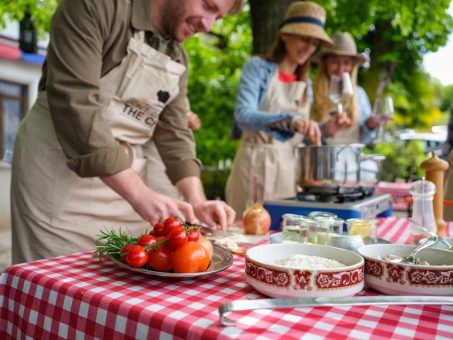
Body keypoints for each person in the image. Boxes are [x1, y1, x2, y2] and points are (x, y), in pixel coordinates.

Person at [10, 0, 243, 264]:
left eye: (218, 18)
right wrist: (141, 194)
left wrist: (197, 201)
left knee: (116, 287)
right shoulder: (94, 7)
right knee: (56, 288)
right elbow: (75, 103)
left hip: (125, 193)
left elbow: (174, 133)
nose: (208, 25)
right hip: (58, 180)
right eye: (208, 6)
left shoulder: (178, 58)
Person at [225, 1, 332, 217]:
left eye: (314, 43)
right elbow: (243, 115)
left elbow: (301, 135)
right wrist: (290, 120)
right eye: (304, 39)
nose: (308, 48)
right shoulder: (257, 67)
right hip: (252, 166)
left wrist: (321, 134)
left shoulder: (306, 84)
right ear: (285, 35)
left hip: (287, 172)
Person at [311, 32, 379, 145]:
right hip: (319, 159)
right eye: (335, 62)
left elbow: (366, 141)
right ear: (325, 63)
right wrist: (325, 130)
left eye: (346, 63)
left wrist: (369, 126)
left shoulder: (360, 94)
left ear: (353, 66)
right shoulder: (309, 90)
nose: (341, 68)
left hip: (351, 159)